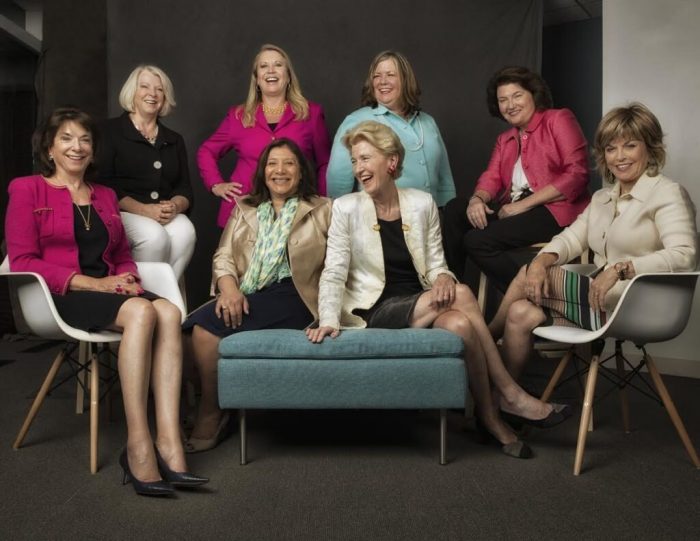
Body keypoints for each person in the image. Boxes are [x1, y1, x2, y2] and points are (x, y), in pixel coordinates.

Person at [306, 121, 571, 459]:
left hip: (420, 300)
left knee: (460, 324)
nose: (358, 168)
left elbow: (434, 265)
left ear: (390, 161)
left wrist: (443, 276)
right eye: (355, 160)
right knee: (462, 295)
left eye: (365, 159)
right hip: (375, 308)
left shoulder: (421, 204)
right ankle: (509, 394)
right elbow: (334, 271)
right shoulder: (346, 208)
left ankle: (489, 419)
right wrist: (328, 317)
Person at [5, 108, 207, 496]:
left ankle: (169, 441)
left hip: (110, 289)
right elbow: (23, 260)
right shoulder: (27, 188)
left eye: (84, 139)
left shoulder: (105, 195)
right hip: (62, 296)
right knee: (144, 310)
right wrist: (95, 285)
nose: (76, 147)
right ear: (49, 148)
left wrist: (127, 276)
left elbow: (119, 253)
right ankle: (138, 444)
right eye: (65, 138)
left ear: (93, 149)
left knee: (168, 310)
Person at [489, 103, 697, 378]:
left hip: (640, 306)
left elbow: (685, 255)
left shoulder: (668, 194)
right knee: (519, 312)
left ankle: (485, 339)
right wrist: (543, 260)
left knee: (525, 274)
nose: (619, 157)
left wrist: (621, 269)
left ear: (650, 147)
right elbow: (571, 238)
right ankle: (507, 396)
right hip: (597, 301)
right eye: (611, 149)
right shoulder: (602, 198)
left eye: (630, 146)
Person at [184, 138, 331, 452]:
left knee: (203, 330)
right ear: (263, 171)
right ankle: (213, 404)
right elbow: (223, 257)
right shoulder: (245, 208)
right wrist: (229, 290)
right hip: (252, 292)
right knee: (181, 335)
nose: (280, 170)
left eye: (289, 163)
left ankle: (212, 411)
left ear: (302, 172)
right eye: (273, 163)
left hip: (298, 298)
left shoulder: (323, 208)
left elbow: (337, 265)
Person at [442, 66, 590, 290]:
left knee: (476, 240)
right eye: (503, 100)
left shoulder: (558, 119)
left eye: (517, 96)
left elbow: (577, 174)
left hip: (555, 210)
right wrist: (477, 200)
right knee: (455, 209)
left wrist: (522, 205)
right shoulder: (506, 139)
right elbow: (491, 177)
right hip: (517, 210)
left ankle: (529, 291)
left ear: (534, 94)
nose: (510, 105)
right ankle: (452, 290)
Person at [197, 43, 331, 228]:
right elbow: (206, 151)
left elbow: (324, 163)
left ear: (288, 75)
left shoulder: (311, 114)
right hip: (245, 211)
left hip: (296, 212)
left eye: (278, 65)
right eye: (263, 66)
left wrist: (321, 202)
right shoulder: (238, 116)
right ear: (257, 79)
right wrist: (215, 184)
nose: (271, 70)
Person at [98, 65, 195, 281]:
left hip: (161, 213)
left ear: (165, 97)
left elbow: (184, 188)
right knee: (154, 236)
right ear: (132, 91)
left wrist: (175, 206)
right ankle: (142, 297)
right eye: (145, 86)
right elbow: (103, 184)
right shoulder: (108, 131)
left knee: (185, 231)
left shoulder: (174, 139)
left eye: (159, 89)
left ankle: (165, 296)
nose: (152, 94)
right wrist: (142, 209)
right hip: (122, 212)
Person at [326, 50, 456, 206]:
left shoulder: (428, 122)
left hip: (432, 218)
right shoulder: (356, 121)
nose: (382, 81)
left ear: (406, 80)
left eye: (390, 75)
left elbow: (445, 179)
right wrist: (338, 217)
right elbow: (338, 180)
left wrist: (448, 213)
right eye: (377, 76)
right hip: (381, 220)